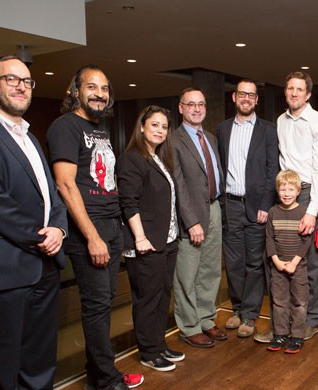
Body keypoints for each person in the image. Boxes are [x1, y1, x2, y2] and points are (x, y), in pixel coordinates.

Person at [0, 55, 86, 390]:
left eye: (27, 81)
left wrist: (60, 230)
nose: (20, 86)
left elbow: (53, 193)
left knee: (40, 340)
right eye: (11, 79)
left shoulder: (31, 136)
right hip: (7, 260)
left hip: (44, 256)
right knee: (6, 349)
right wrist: (41, 235)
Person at [47, 65, 149, 390]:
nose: (100, 94)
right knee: (96, 307)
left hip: (109, 226)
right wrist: (91, 237)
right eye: (91, 87)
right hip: (87, 230)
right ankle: (107, 385)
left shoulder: (98, 128)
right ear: (74, 90)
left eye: (104, 88)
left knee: (105, 305)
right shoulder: (65, 127)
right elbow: (65, 184)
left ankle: (98, 372)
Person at [257, 71, 318, 343]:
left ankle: (311, 321)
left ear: (308, 94)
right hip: (286, 191)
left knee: (310, 262)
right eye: (289, 88)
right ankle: (282, 324)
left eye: (299, 89)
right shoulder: (280, 120)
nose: (293, 93)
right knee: (279, 262)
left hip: (309, 193)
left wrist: (312, 210)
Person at [117, 105, 185, 372]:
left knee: (161, 295)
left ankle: (158, 344)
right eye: (154, 125)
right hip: (146, 243)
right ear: (142, 127)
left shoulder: (158, 158)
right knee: (147, 300)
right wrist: (140, 237)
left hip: (166, 241)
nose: (160, 130)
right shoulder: (132, 158)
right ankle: (148, 352)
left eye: (164, 126)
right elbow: (128, 201)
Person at [217, 79, 279, 338]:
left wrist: (266, 204)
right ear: (234, 97)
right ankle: (237, 309)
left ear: (256, 100)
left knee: (254, 263)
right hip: (230, 205)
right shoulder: (222, 129)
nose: (246, 99)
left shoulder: (267, 130)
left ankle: (251, 316)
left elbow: (271, 169)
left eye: (251, 95)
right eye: (242, 94)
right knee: (233, 262)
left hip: (256, 206)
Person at [172, 87, 227, 348]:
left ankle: (206, 318)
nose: (197, 109)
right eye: (191, 104)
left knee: (210, 270)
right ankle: (189, 325)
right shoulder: (173, 140)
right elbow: (178, 184)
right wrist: (191, 220)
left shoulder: (211, 138)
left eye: (201, 104)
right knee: (187, 272)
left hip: (214, 207)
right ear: (181, 108)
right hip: (191, 214)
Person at [265, 170, 312, 354]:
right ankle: (280, 334)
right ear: (277, 191)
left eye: (291, 189)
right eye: (283, 189)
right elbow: (269, 239)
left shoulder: (303, 213)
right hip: (278, 266)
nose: (286, 193)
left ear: (299, 191)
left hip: (297, 266)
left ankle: (297, 336)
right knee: (279, 301)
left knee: (299, 302)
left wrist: (294, 262)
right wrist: (276, 261)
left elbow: (306, 241)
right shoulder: (273, 212)